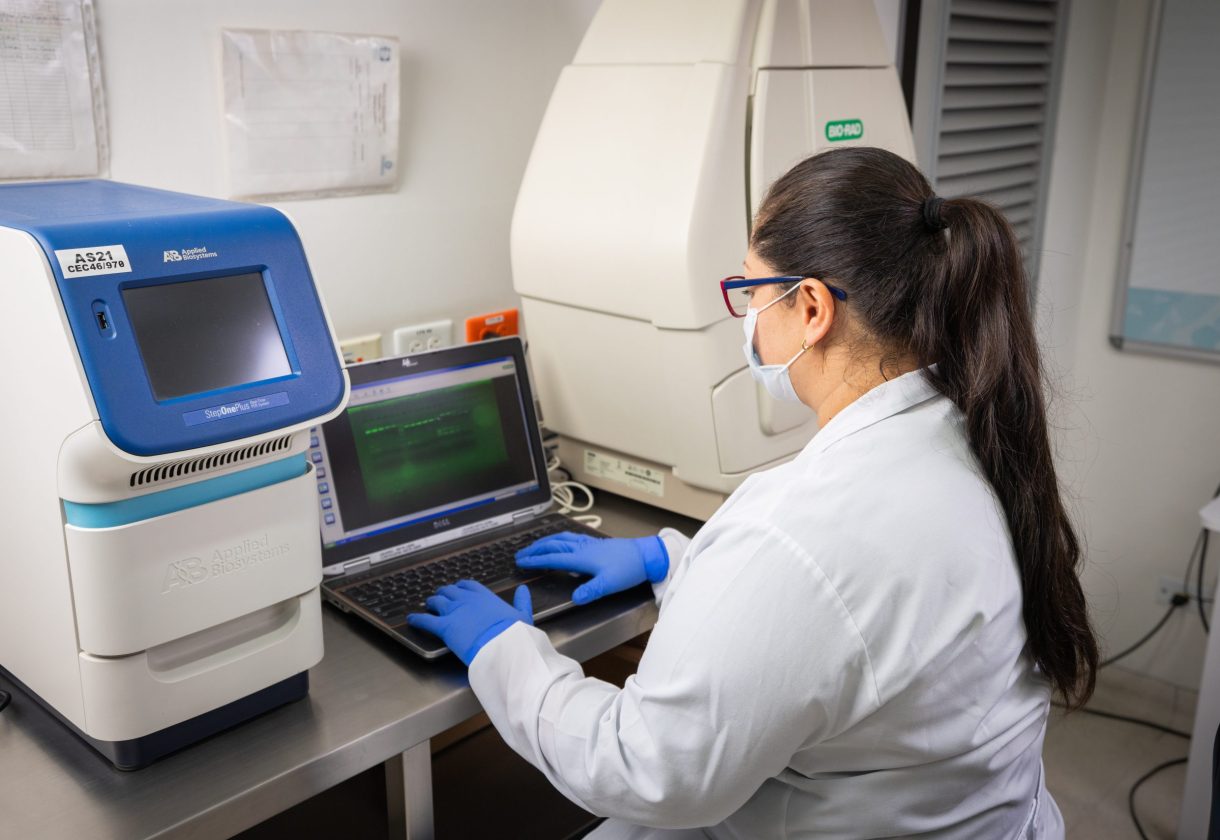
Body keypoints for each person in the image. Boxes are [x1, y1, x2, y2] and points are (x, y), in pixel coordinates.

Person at [407, 146, 1098, 839]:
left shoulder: (801, 530)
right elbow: (842, 622)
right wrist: (673, 561)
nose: (747, 318)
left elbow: (646, 771)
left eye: (751, 292)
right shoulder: (973, 435)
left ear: (811, 308)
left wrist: (506, 652)